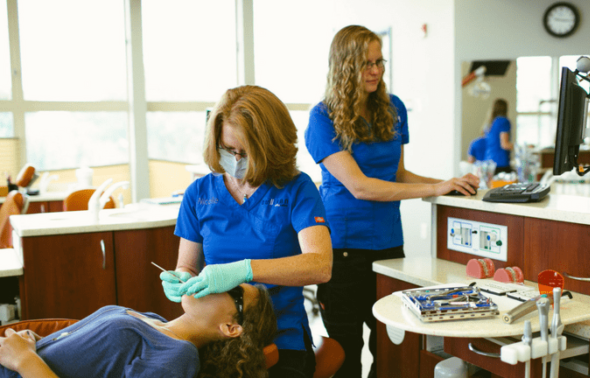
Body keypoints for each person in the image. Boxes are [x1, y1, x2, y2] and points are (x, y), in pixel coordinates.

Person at [304, 25, 480, 378]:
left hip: (388, 248)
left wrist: (449, 184)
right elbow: (362, 188)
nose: (375, 70)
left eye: (379, 61)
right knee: (346, 351)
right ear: (343, 66)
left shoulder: (393, 107)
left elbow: (398, 174)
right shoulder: (322, 117)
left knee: (390, 348)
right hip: (342, 250)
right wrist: (434, 188)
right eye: (365, 63)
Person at [161, 86, 332, 378]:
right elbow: (188, 266)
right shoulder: (199, 194)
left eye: (246, 152)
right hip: (214, 334)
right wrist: (182, 279)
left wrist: (245, 270)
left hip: (281, 335)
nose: (236, 160)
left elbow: (320, 266)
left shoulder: (297, 188)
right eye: (229, 150)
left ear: (270, 147)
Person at [0, 284, 277, 378]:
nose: (216, 279)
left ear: (230, 328)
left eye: (231, 287)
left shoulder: (177, 357)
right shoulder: (153, 320)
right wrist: (41, 344)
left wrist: (26, 361)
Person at [483, 98, 514, 174]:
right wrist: (521, 148)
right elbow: (505, 144)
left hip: (488, 162)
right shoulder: (503, 121)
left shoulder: (489, 123)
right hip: (500, 163)